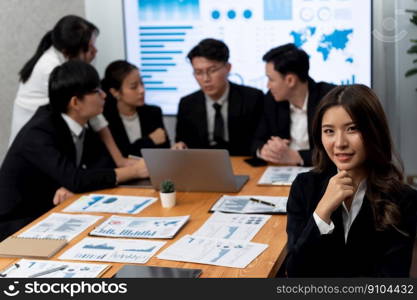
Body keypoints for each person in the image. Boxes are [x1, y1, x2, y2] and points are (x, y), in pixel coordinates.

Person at [0, 60, 148, 241]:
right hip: (16, 226)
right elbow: (76, 179)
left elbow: (97, 167)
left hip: (52, 213)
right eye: (96, 91)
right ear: (76, 102)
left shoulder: (79, 122)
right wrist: (133, 171)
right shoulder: (40, 132)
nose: (103, 95)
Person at [285, 84, 417, 277]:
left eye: (352, 129)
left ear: (374, 131)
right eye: (329, 131)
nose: (339, 143)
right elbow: (295, 272)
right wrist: (322, 213)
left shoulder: (404, 200)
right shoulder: (304, 186)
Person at [9, 15, 129, 167]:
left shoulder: (59, 58)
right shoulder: (52, 70)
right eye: (89, 48)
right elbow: (95, 117)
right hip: (34, 152)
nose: (95, 51)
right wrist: (120, 161)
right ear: (67, 53)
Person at [173, 38, 264, 156]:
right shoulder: (187, 104)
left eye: (212, 70)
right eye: (198, 72)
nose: (206, 79)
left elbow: (259, 141)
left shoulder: (252, 99)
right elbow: (182, 142)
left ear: (228, 68)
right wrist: (179, 147)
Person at [252, 43, 335, 166]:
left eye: (271, 79)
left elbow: (338, 149)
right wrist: (265, 150)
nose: (268, 85)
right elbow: (256, 140)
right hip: (283, 172)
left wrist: (298, 157)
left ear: (290, 80)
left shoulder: (329, 98)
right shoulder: (272, 99)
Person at [102, 60, 170, 157]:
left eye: (142, 83)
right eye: (134, 87)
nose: (142, 90)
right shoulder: (106, 119)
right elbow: (118, 157)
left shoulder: (153, 113)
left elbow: (163, 151)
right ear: (115, 92)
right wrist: (149, 141)